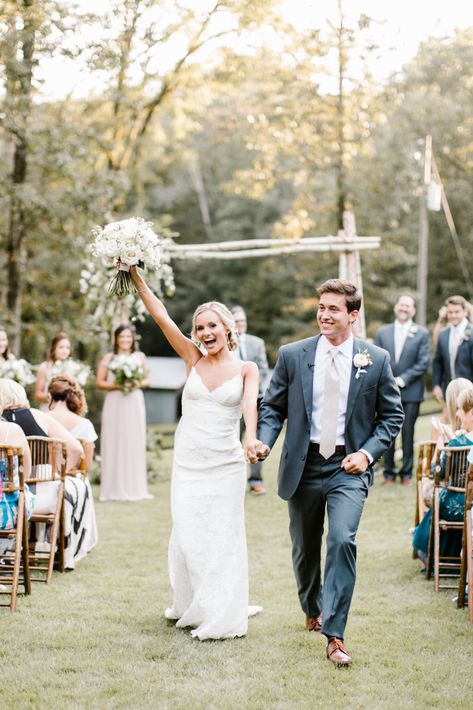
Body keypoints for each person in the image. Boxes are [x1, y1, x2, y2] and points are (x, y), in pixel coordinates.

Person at [256, 278, 404, 666]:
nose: (324, 314)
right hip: (303, 467)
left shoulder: (376, 359)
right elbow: (273, 407)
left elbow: (392, 416)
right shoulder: (292, 355)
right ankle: (312, 606)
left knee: (341, 540)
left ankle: (334, 634)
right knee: (305, 550)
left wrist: (367, 455)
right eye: (321, 307)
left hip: (347, 468)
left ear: (353, 315)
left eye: (334, 308)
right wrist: (265, 441)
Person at [130, 265, 261, 640]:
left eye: (212, 326)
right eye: (200, 327)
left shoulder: (247, 368)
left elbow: (250, 407)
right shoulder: (192, 358)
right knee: (187, 536)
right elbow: (160, 315)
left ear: (227, 329)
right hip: (188, 463)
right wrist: (136, 278)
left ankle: (222, 612)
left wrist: (251, 437)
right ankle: (195, 602)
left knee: (221, 537)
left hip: (225, 463)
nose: (205, 333)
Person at [0, 378, 90, 569]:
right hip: (42, 495)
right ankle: (62, 551)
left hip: (8, 494)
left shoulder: (3, 427)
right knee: (78, 488)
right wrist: (59, 474)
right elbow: (75, 449)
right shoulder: (38, 416)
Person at [412, 380, 473, 566]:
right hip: (469, 503)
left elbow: (436, 473)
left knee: (438, 497)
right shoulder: (458, 439)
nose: (457, 413)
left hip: (458, 504)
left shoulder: (457, 443)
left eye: (461, 410)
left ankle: (432, 553)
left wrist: (441, 441)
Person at [375, 294, 430, 486]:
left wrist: (403, 379)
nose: (404, 308)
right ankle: (388, 473)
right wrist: (390, 381)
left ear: (413, 310)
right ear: (396, 307)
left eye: (408, 306)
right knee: (387, 431)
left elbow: (423, 362)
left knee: (408, 432)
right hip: (387, 392)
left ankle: (406, 472)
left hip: (411, 392)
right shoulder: (383, 332)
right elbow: (377, 360)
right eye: (401, 305)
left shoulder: (421, 333)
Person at [96, 324, 151, 502]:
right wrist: (118, 385)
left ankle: (135, 487)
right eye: (122, 337)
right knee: (114, 440)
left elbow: (147, 379)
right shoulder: (109, 358)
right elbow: (99, 382)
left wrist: (136, 384)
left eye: (129, 336)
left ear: (133, 339)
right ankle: (112, 488)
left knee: (134, 440)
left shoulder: (140, 357)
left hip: (134, 401)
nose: (126, 340)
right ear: (116, 339)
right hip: (114, 402)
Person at [47, 374, 98, 562]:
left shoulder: (40, 418)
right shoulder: (84, 425)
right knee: (83, 482)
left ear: (50, 395)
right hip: (72, 480)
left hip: (45, 478)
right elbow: (88, 466)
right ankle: (74, 540)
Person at [231, 305, 269, 495]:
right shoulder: (226, 343)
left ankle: (255, 480)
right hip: (233, 401)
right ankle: (231, 479)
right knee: (232, 440)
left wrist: (252, 390)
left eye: (243, 321)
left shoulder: (257, 342)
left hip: (256, 399)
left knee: (255, 439)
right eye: (237, 321)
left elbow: (262, 369)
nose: (240, 324)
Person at [432, 295, 473, 405]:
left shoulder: (472, 332)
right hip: (449, 392)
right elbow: (438, 362)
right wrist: (436, 385)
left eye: (457, 312)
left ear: (465, 312)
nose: (453, 315)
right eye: (450, 312)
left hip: (470, 391)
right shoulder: (443, 334)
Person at [34, 332, 72, 407]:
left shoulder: (73, 367)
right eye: (61, 347)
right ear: (54, 348)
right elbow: (37, 394)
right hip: (49, 408)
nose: (65, 351)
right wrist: (54, 397)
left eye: (67, 347)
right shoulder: (45, 367)